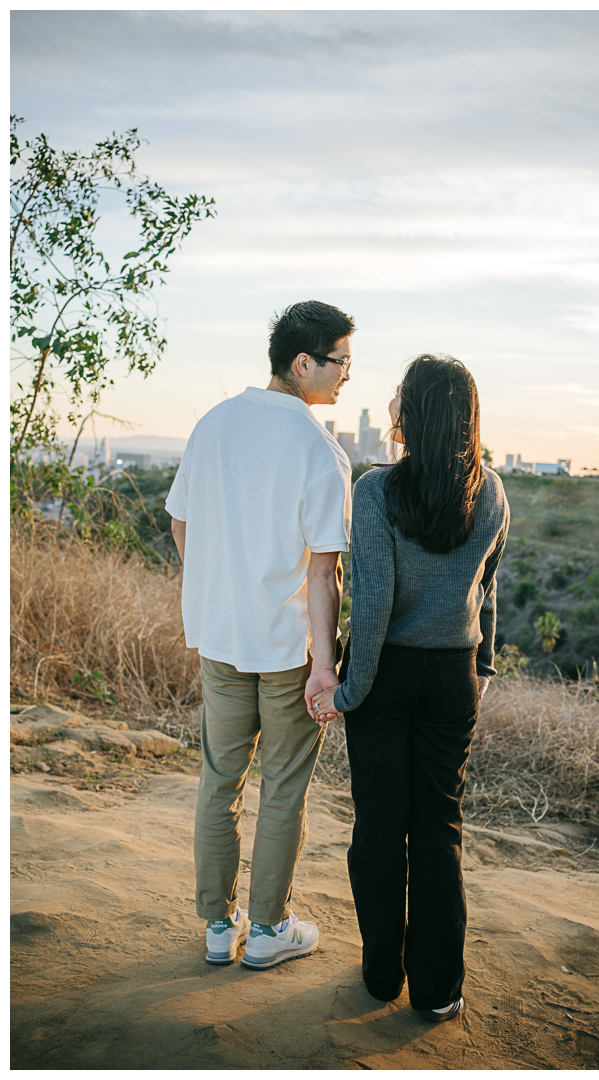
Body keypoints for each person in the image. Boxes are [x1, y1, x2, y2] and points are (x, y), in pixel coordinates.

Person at [311, 355, 509, 1021]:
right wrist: (480, 670)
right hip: (451, 677)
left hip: (387, 675)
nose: (389, 404)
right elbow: (487, 593)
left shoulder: (375, 492)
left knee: (380, 828)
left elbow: (369, 608)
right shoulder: (493, 494)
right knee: (439, 831)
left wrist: (347, 692)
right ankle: (436, 991)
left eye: (398, 396)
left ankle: (380, 978)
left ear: (414, 415)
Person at [166, 300, 354, 969]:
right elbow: (325, 575)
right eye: (341, 362)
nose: (347, 376)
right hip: (284, 648)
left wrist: (216, 588)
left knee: (220, 779)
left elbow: (181, 521)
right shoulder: (319, 450)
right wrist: (324, 668)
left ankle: (219, 926)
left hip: (220, 636)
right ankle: (270, 930)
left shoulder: (213, 423)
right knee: (282, 786)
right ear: (303, 362)